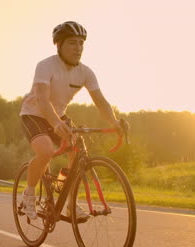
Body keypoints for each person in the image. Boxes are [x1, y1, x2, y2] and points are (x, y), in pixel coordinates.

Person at [19, 21, 124, 220]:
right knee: (46, 151)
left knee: (77, 148)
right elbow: (42, 99)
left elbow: (100, 101)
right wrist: (56, 123)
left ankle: (68, 199)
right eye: (72, 43)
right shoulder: (45, 66)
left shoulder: (85, 72)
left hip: (58, 115)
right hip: (34, 113)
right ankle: (29, 194)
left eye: (81, 44)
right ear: (59, 45)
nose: (78, 48)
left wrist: (114, 122)